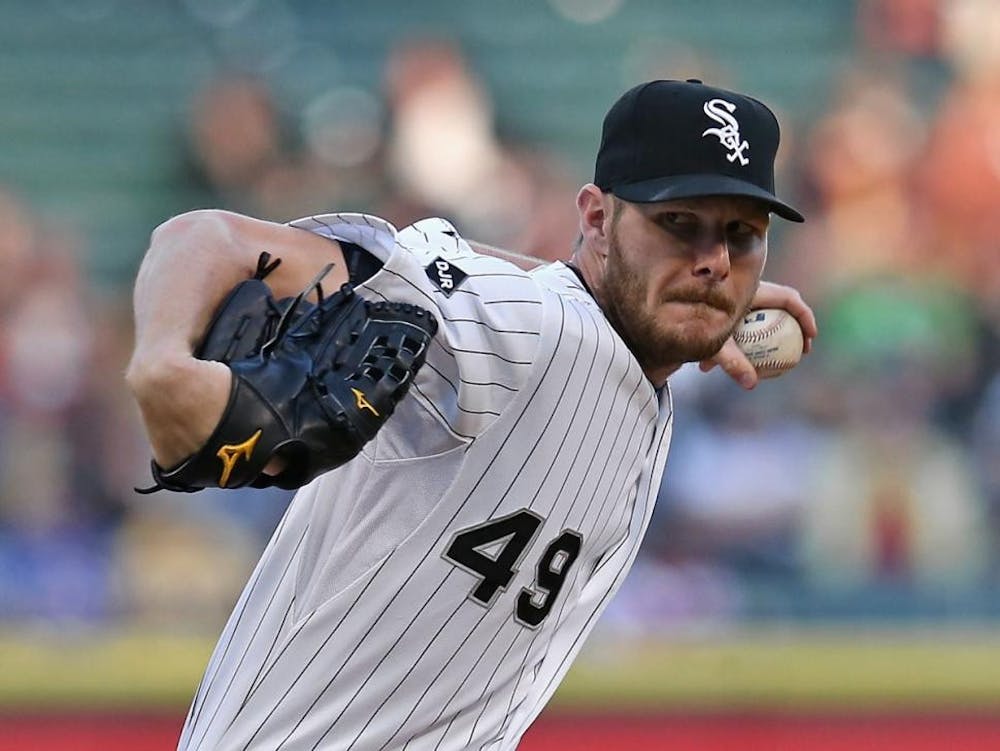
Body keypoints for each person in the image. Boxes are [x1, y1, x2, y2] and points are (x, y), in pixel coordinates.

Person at [127, 79, 817, 751]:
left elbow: (548, 291)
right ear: (597, 220)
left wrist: (681, 304)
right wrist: (162, 365)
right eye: (678, 225)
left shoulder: (619, 359)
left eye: (740, 236)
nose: (713, 261)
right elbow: (205, 236)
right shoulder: (530, 333)